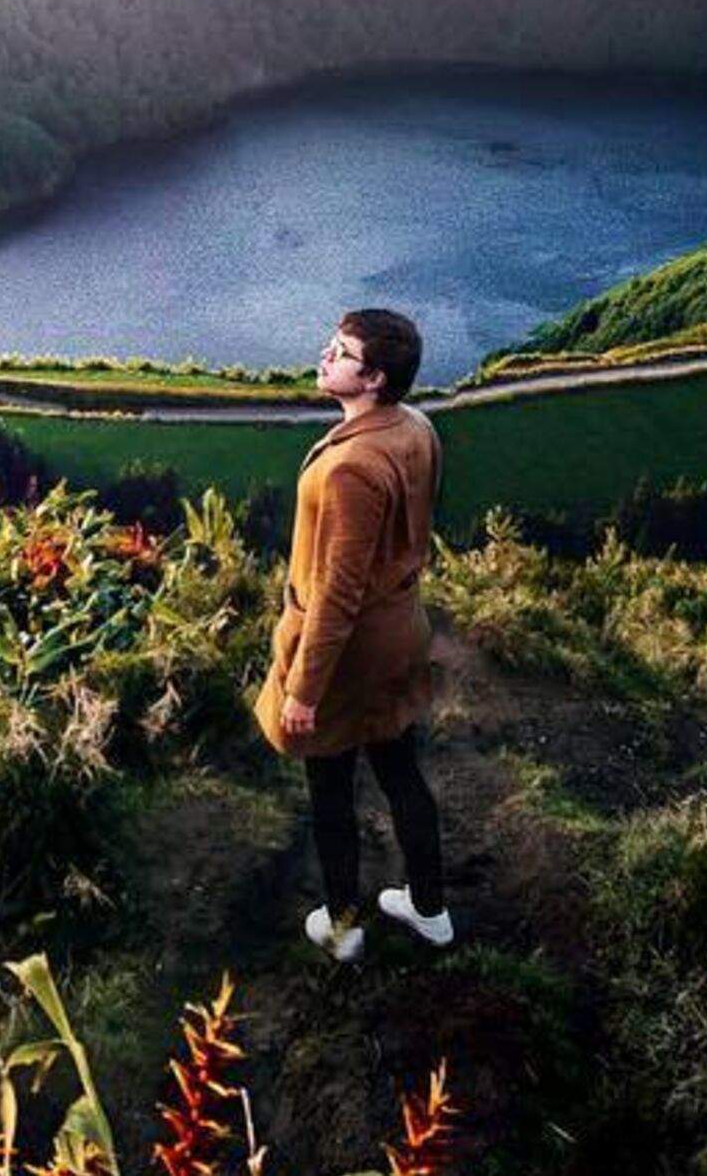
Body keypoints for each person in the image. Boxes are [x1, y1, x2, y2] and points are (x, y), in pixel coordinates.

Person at [254, 307, 453, 962]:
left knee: (330, 791)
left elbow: (337, 595)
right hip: (400, 630)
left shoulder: (350, 470)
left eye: (340, 353)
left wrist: (304, 689)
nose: (324, 356)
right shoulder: (415, 427)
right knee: (400, 771)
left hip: (350, 653)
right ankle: (430, 910)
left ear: (372, 379)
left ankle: (342, 926)